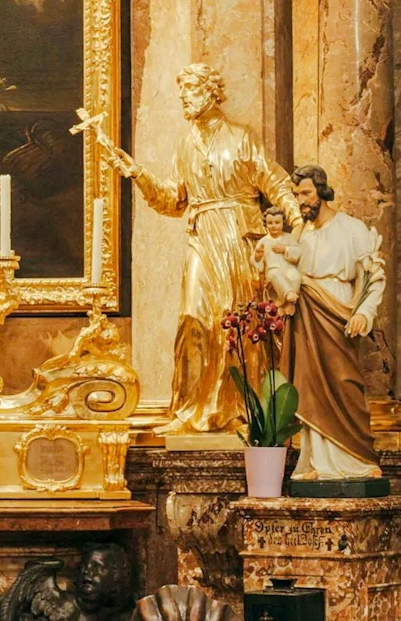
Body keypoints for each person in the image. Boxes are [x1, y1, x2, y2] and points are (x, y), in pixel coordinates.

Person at [109, 63, 301, 434]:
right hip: (202, 233)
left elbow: (273, 181)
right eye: (181, 91)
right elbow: (173, 201)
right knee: (193, 317)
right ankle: (190, 410)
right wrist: (138, 174)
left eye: (192, 89)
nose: (184, 97)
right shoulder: (186, 144)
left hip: (238, 235)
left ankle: (244, 411)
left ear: (213, 92)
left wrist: (300, 219)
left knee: (241, 323)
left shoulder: (242, 137)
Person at [282, 165, 385, 481]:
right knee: (310, 388)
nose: (302, 201)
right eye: (297, 195)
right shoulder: (300, 236)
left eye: (307, 193)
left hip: (339, 315)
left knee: (344, 383)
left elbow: (373, 276)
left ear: (322, 191)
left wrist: (363, 313)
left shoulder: (351, 229)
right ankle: (315, 464)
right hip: (307, 316)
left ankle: (358, 459)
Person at [1, 544, 133, 621]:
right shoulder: (59, 601)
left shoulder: (119, 620)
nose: (87, 572)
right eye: (84, 567)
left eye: (97, 567)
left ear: (116, 577)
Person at [251, 207, 301, 313]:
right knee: (275, 274)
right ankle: (288, 293)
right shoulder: (263, 241)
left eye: (277, 222)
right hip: (273, 270)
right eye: (270, 223)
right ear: (266, 224)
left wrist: (285, 249)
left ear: (283, 223)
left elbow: (297, 252)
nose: (273, 226)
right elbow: (255, 261)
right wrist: (258, 256)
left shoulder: (288, 237)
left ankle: (289, 303)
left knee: (295, 276)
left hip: (288, 268)